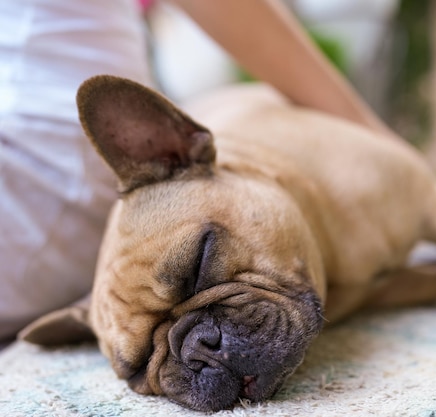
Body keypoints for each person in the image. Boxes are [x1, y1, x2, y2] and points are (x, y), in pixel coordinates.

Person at [0, 0, 398, 341]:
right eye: (139, 364)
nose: (207, 347)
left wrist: (372, 141)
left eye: (202, 264)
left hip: (43, 174)